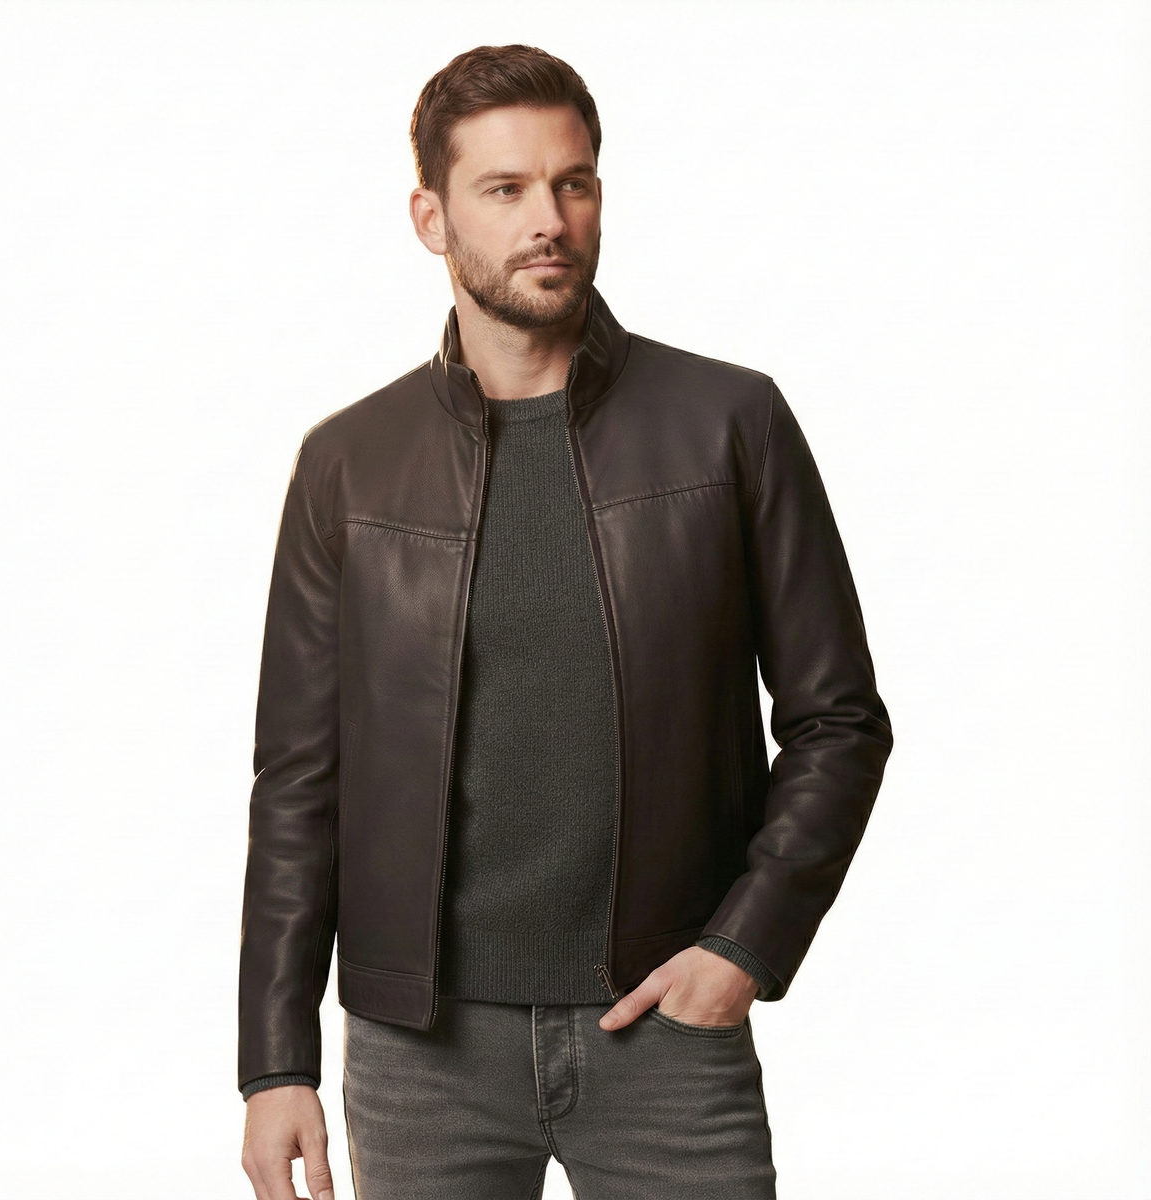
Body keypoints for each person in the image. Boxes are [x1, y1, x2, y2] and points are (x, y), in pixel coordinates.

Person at [238, 43, 892, 1200]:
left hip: (666, 1033)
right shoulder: (349, 464)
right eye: (505, 189)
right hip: (420, 1056)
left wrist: (742, 948)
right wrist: (275, 1062)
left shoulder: (728, 423)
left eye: (573, 183)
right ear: (431, 219)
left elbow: (838, 722)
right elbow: (299, 780)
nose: (550, 219)